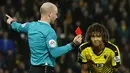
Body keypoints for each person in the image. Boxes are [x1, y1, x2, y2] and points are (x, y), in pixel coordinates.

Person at [6, 2, 82, 73]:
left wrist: (12, 22)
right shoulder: (49, 31)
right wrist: (73, 44)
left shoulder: (31, 26)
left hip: (32, 69)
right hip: (45, 70)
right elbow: (55, 53)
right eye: (55, 14)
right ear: (50, 14)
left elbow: (18, 27)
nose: (56, 17)